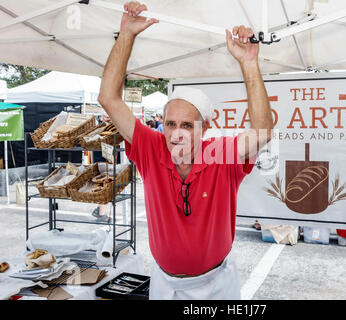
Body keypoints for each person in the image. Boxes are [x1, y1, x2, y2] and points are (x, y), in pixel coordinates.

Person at [98, 1, 273, 300]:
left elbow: (262, 132)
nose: (176, 133)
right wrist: (126, 34)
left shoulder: (221, 155)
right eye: (170, 124)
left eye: (187, 126)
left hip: (218, 285)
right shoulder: (152, 147)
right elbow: (108, 98)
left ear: (204, 129)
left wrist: (248, 63)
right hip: (165, 285)